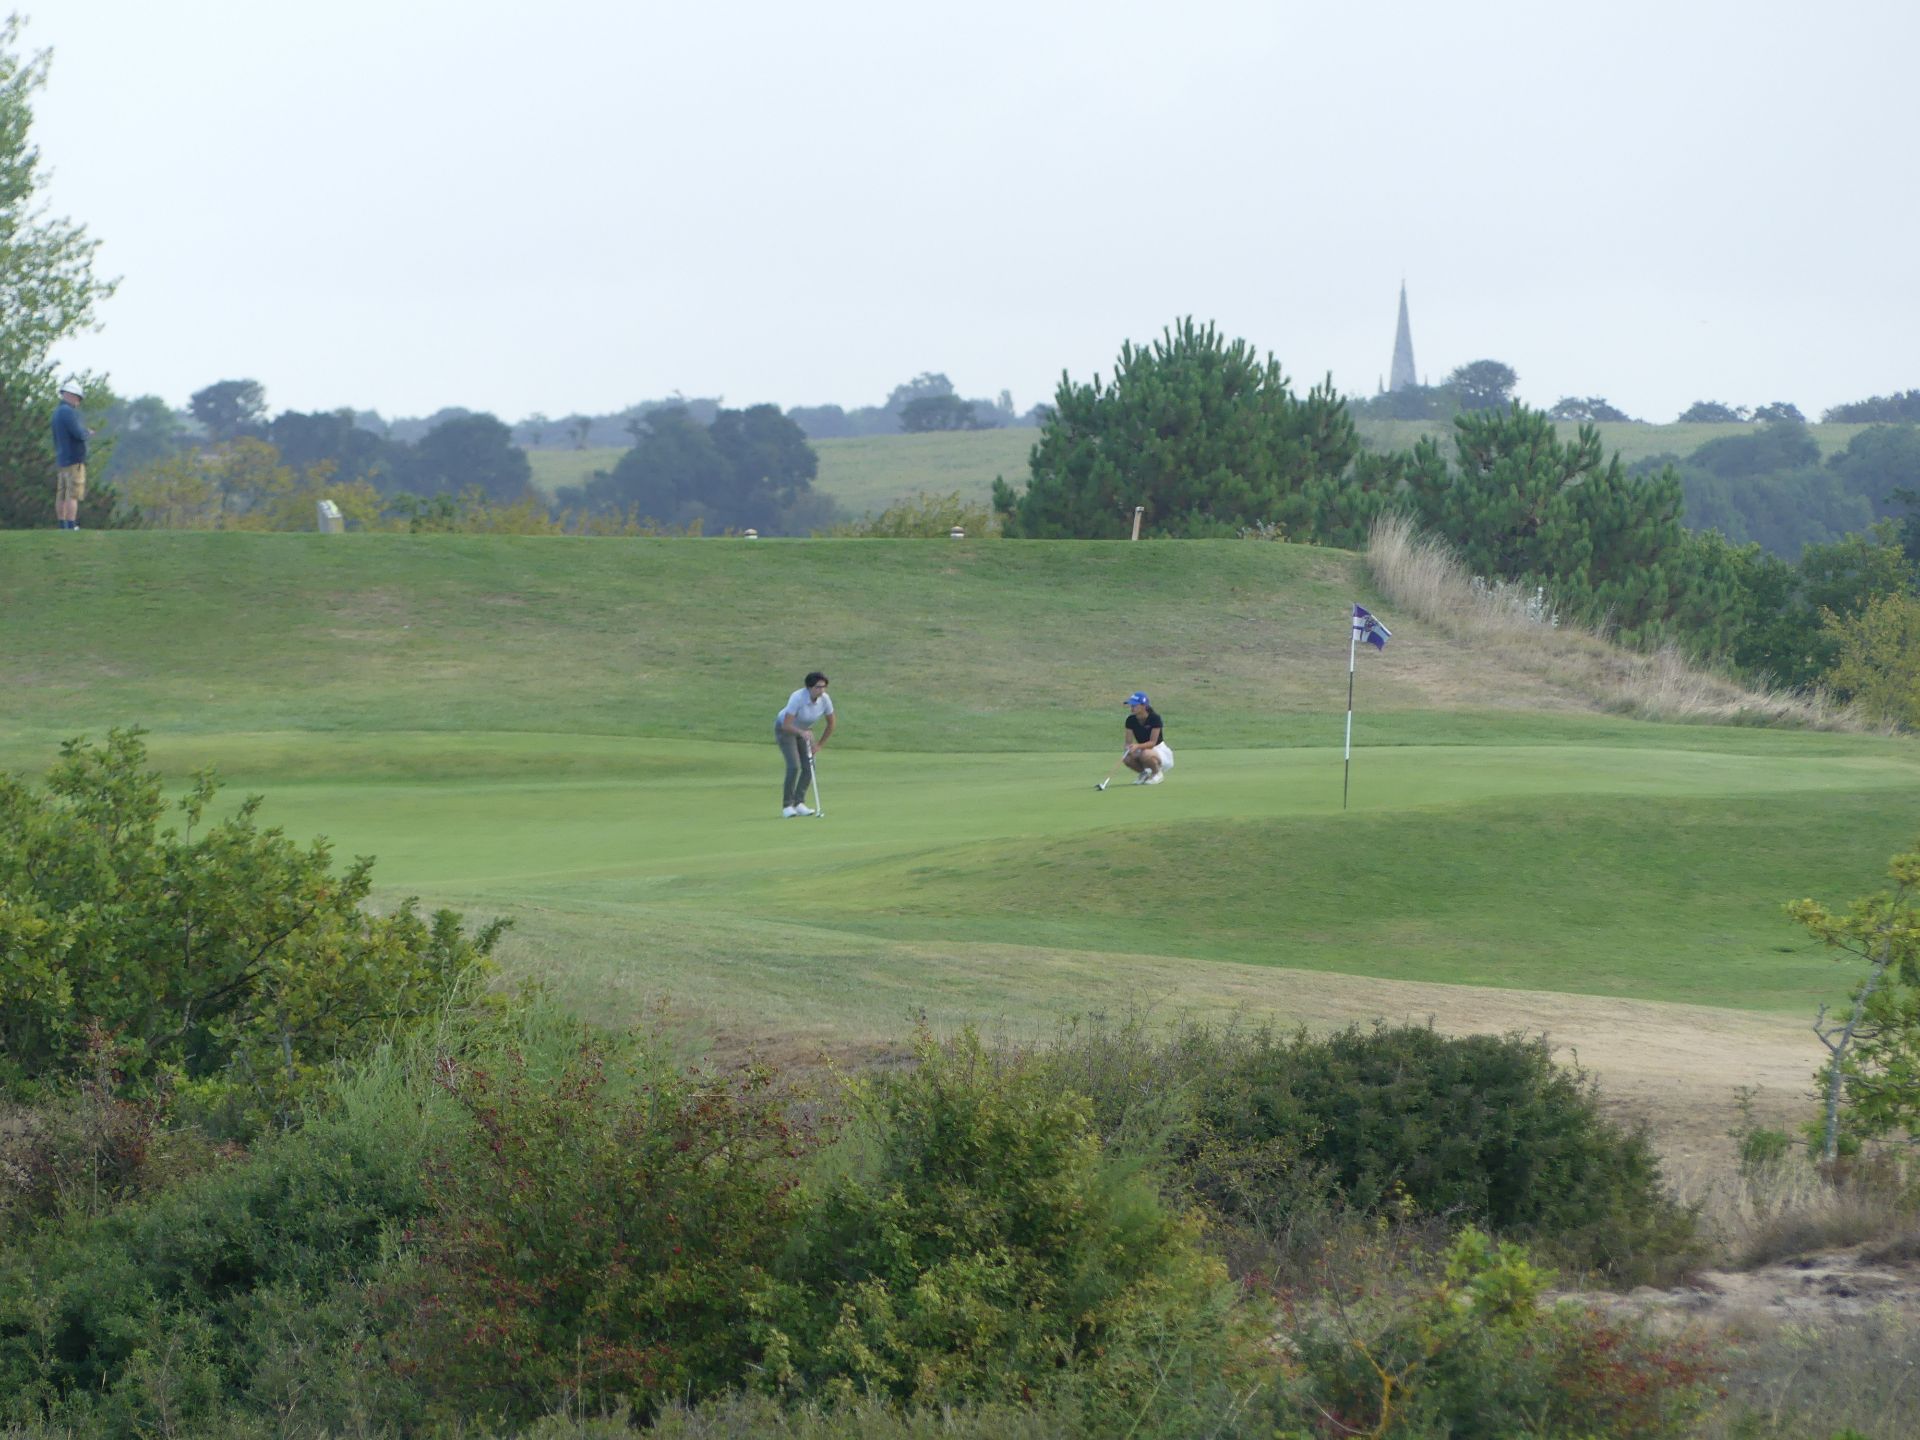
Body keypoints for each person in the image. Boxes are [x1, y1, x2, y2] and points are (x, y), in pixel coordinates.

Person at [775, 671, 835, 817]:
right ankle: (787, 806)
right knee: (793, 766)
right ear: (809, 688)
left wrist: (819, 745)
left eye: (824, 687)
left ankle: (799, 803)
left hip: (804, 731)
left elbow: (831, 724)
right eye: (818, 687)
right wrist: (801, 732)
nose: (821, 690)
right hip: (786, 730)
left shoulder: (825, 699)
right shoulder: (797, 698)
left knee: (809, 767)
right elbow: (787, 725)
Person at [51, 381, 89, 530]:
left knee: (61, 494)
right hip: (74, 460)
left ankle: (62, 524)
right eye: (77, 398)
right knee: (73, 494)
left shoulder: (57, 412)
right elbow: (78, 434)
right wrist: (87, 433)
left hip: (62, 459)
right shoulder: (68, 412)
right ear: (70, 395)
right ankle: (71, 525)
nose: (78, 402)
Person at [1122, 690, 1174, 784]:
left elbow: (1152, 743)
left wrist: (1137, 746)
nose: (1132, 707)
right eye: (1131, 705)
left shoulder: (1154, 718)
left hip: (1159, 749)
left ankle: (1157, 774)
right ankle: (1145, 774)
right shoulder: (1130, 720)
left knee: (1145, 754)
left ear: (1144, 706)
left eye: (1135, 705)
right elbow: (1128, 742)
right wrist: (1128, 748)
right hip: (1142, 749)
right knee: (1127, 758)